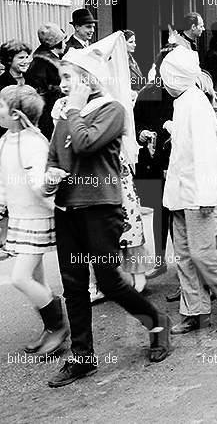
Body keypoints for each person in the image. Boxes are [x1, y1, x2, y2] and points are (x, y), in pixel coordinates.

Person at [47, 44, 170, 388]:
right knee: (73, 286)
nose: (63, 84)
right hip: (66, 208)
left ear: (88, 79)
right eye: (61, 78)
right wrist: (48, 176)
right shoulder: (64, 114)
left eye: (69, 77)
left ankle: (157, 321)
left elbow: (85, 143)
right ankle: (83, 358)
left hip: (101, 208)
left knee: (109, 281)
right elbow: (56, 156)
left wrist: (71, 111)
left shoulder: (112, 109)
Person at [159, 46, 217, 334]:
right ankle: (194, 310)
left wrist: (207, 196)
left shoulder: (194, 104)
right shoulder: (184, 101)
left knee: (203, 253)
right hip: (182, 194)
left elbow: (207, 155)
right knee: (183, 254)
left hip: (201, 196)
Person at [0, 85, 68, 356]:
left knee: (20, 277)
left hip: (37, 218)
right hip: (19, 217)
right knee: (36, 277)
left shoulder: (31, 143)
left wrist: (49, 189)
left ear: (16, 114)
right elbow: (4, 181)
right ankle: (51, 327)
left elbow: (40, 184)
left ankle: (58, 325)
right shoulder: (6, 141)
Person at [133, 44, 178, 283]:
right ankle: (160, 261)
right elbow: (135, 124)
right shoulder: (147, 93)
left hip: (178, 161)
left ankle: (184, 266)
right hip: (153, 161)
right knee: (160, 212)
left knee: (179, 214)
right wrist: (141, 134)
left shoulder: (184, 93)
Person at [25, 24, 66, 139]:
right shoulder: (43, 64)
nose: (65, 44)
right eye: (63, 40)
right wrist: (60, 90)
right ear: (56, 43)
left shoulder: (42, 61)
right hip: (48, 118)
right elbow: (40, 92)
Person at [0, 41, 33, 137]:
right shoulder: (2, 84)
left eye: (27, 57)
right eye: (21, 58)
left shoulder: (33, 79)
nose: (26, 61)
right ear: (9, 60)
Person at [122, 30, 144, 96]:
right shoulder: (122, 63)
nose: (135, 45)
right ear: (122, 44)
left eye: (134, 41)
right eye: (131, 42)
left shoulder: (132, 60)